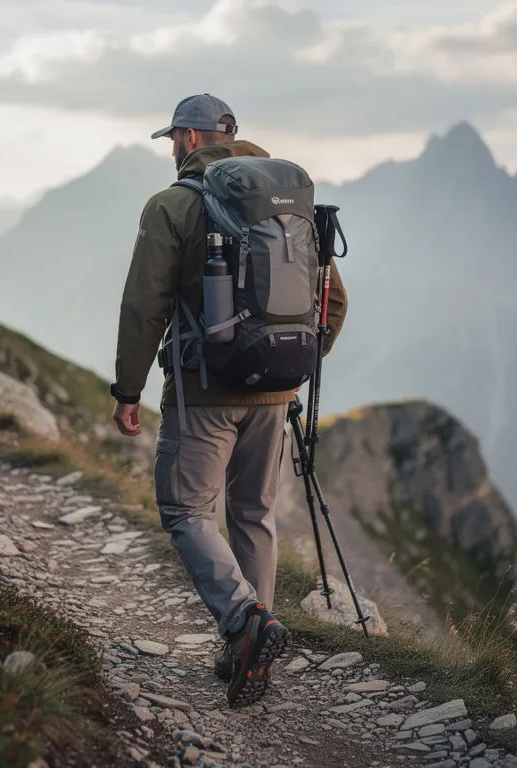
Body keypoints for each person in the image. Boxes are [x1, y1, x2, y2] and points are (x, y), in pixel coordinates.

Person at [110, 94, 347, 707]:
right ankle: (248, 650)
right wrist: (291, 364)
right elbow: (333, 301)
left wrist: (128, 390)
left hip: (203, 391)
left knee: (187, 512)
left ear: (190, 139)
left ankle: (246, 624)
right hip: (276, 394)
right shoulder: (289, 204)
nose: (171, 149)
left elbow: (144, 306)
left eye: (172, 139)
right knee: (252, 515)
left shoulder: (172, 205)